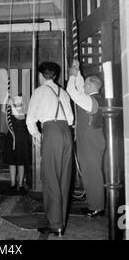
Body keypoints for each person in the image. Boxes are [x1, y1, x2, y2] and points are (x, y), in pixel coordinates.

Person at [26, 62, 73, 237]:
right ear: (54, 76)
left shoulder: (39, 92)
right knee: (64, 177)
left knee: (51, 177)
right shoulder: (64, 92)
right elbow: (70, 118)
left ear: (40, 75)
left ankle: (55, 224)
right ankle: (59, 221)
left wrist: (38, 136)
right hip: (66, 132)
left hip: (51, 132)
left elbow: (30, 120)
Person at [67, 60, 106, 218]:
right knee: (91, 172)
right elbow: (80, 87)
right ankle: (93, 204)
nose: (83, 87)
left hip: (90, 139)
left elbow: (71, 91)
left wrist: (71, 76)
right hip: (94, 138)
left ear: (90, 87)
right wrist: (78, 71)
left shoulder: (89, 101)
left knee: (92, 173)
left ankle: (97, 207)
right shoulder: (96, 98)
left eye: (85, 85)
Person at [2, 94, 31, 193]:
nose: (16, 101)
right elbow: (3, 110)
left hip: (22, 138)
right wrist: (6, 96)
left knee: (21, 161)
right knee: (12, 161)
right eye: (15, 100)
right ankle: (13, 183)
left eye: (19, 100)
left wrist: (12, 106)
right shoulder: (10, 110)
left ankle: (21, 184)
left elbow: (19, 116)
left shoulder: (25, 110)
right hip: (11, 137)